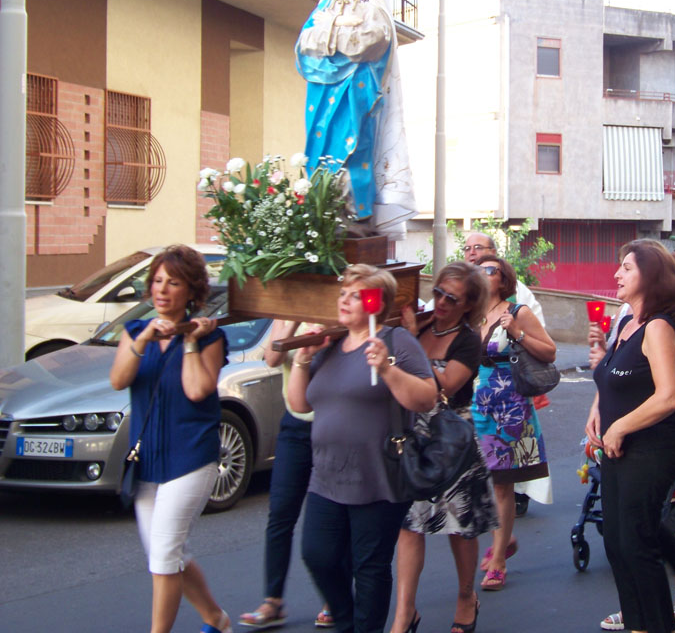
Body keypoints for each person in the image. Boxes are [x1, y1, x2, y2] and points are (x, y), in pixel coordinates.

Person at [288, 265, 437, 633]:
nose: (345, 300)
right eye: (343, 294)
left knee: (369, 566)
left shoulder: (396, 341)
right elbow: (301, 403)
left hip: (378, 474)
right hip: (327, 474)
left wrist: (387, 369)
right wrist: (303, 357)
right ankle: (346, 621)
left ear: (377, 303)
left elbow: (426, 397)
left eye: (356, 295)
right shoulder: (331, 344)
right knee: (318, 554)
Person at [108, 245, 232, 633]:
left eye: (173, 282)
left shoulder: (210, 339)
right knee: (167, 553)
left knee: (163, 554)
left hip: (192, 456)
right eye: (158, 281)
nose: (162, 290)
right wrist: (144, 336)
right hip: (149, 459)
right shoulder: (133, 333)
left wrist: (191, 340)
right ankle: (216, 618)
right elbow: (118, 380)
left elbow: (198, 390)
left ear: (191, 292)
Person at [587, 240, 675, 632]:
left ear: (649, 276)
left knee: (637, 544)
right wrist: (597, 411)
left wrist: (619, 426)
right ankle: (638, 620)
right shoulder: (627, 323)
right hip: (617, 448)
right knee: (617, 543)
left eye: (626, 268)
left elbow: (669, 396)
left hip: (651, 449)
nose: (616, 274)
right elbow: (612, 380)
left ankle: (653, 624)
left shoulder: (657, 326)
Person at [390, 262, 497, 633]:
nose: (441, 303)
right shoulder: (418, 325)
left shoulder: (467, 338)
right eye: (438, 293)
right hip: (415, 435)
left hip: (452, 440)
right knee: (409, 525)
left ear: (468, 305)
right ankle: (405, 611)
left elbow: (446, 386)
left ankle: (466, 595)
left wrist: (408, 344)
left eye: (452, 298)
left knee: (459, 526)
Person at [295, 0, 414, 235]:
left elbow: (370, 43)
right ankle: (322, 206)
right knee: (320, 147)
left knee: (353, 147)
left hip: (356, 92)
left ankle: (354, 213)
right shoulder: (325, 9)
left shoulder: (372, 11)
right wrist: (337, 25)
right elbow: (306, 43)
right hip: (322, 90)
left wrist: (332, 39)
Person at [239, 320, 332, 630]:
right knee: (280, 514)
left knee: (331, 513)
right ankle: (273, 600)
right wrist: (291, 318)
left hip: (332, 425)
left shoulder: (337, 304)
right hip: (295, 424)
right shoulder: (286, 314)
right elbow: (273, 359)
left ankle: (334, 596)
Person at [472, 255, 556, 591]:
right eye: (476, 270)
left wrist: (517, 333)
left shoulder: (517, 312)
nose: (481, 273)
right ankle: (503, 539)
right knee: (481, 482)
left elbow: (549, 352)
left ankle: (498, 560)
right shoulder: (471, 314)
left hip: (509, 407)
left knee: (502, 484)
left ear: (503, 278)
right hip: (475, 406)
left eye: (489, 269)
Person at [462, 231, 545, 325]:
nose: (472, 252)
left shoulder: (516, 289)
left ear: (493, 252)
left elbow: (537, 329)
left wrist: (517, 333)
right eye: (467, 249)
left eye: (478, 247)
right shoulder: (459, 286)